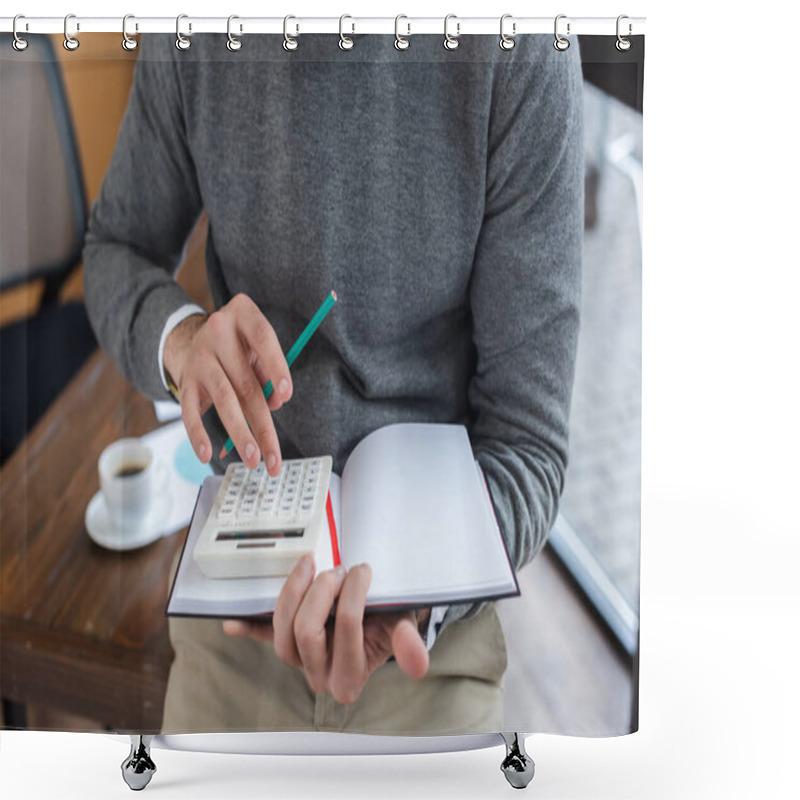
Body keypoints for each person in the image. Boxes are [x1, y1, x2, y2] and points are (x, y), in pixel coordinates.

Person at [83, 31, 583, 735]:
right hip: (232, 608)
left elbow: (528, 446)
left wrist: (415, 600)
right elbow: (116, 251)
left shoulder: (522, 47)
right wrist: (183, 338)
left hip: (429, 643)